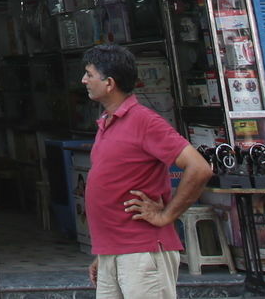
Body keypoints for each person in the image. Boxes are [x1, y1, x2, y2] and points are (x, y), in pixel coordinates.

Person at [81, 42, 213, 299]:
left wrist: (166, 215)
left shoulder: (144, 120)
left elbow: (199, 168)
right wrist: (104, 254)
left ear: (109, 83)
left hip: (141, 250)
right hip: (115, 251)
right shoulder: (108, 122)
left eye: (89, 74)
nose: (83, 80)